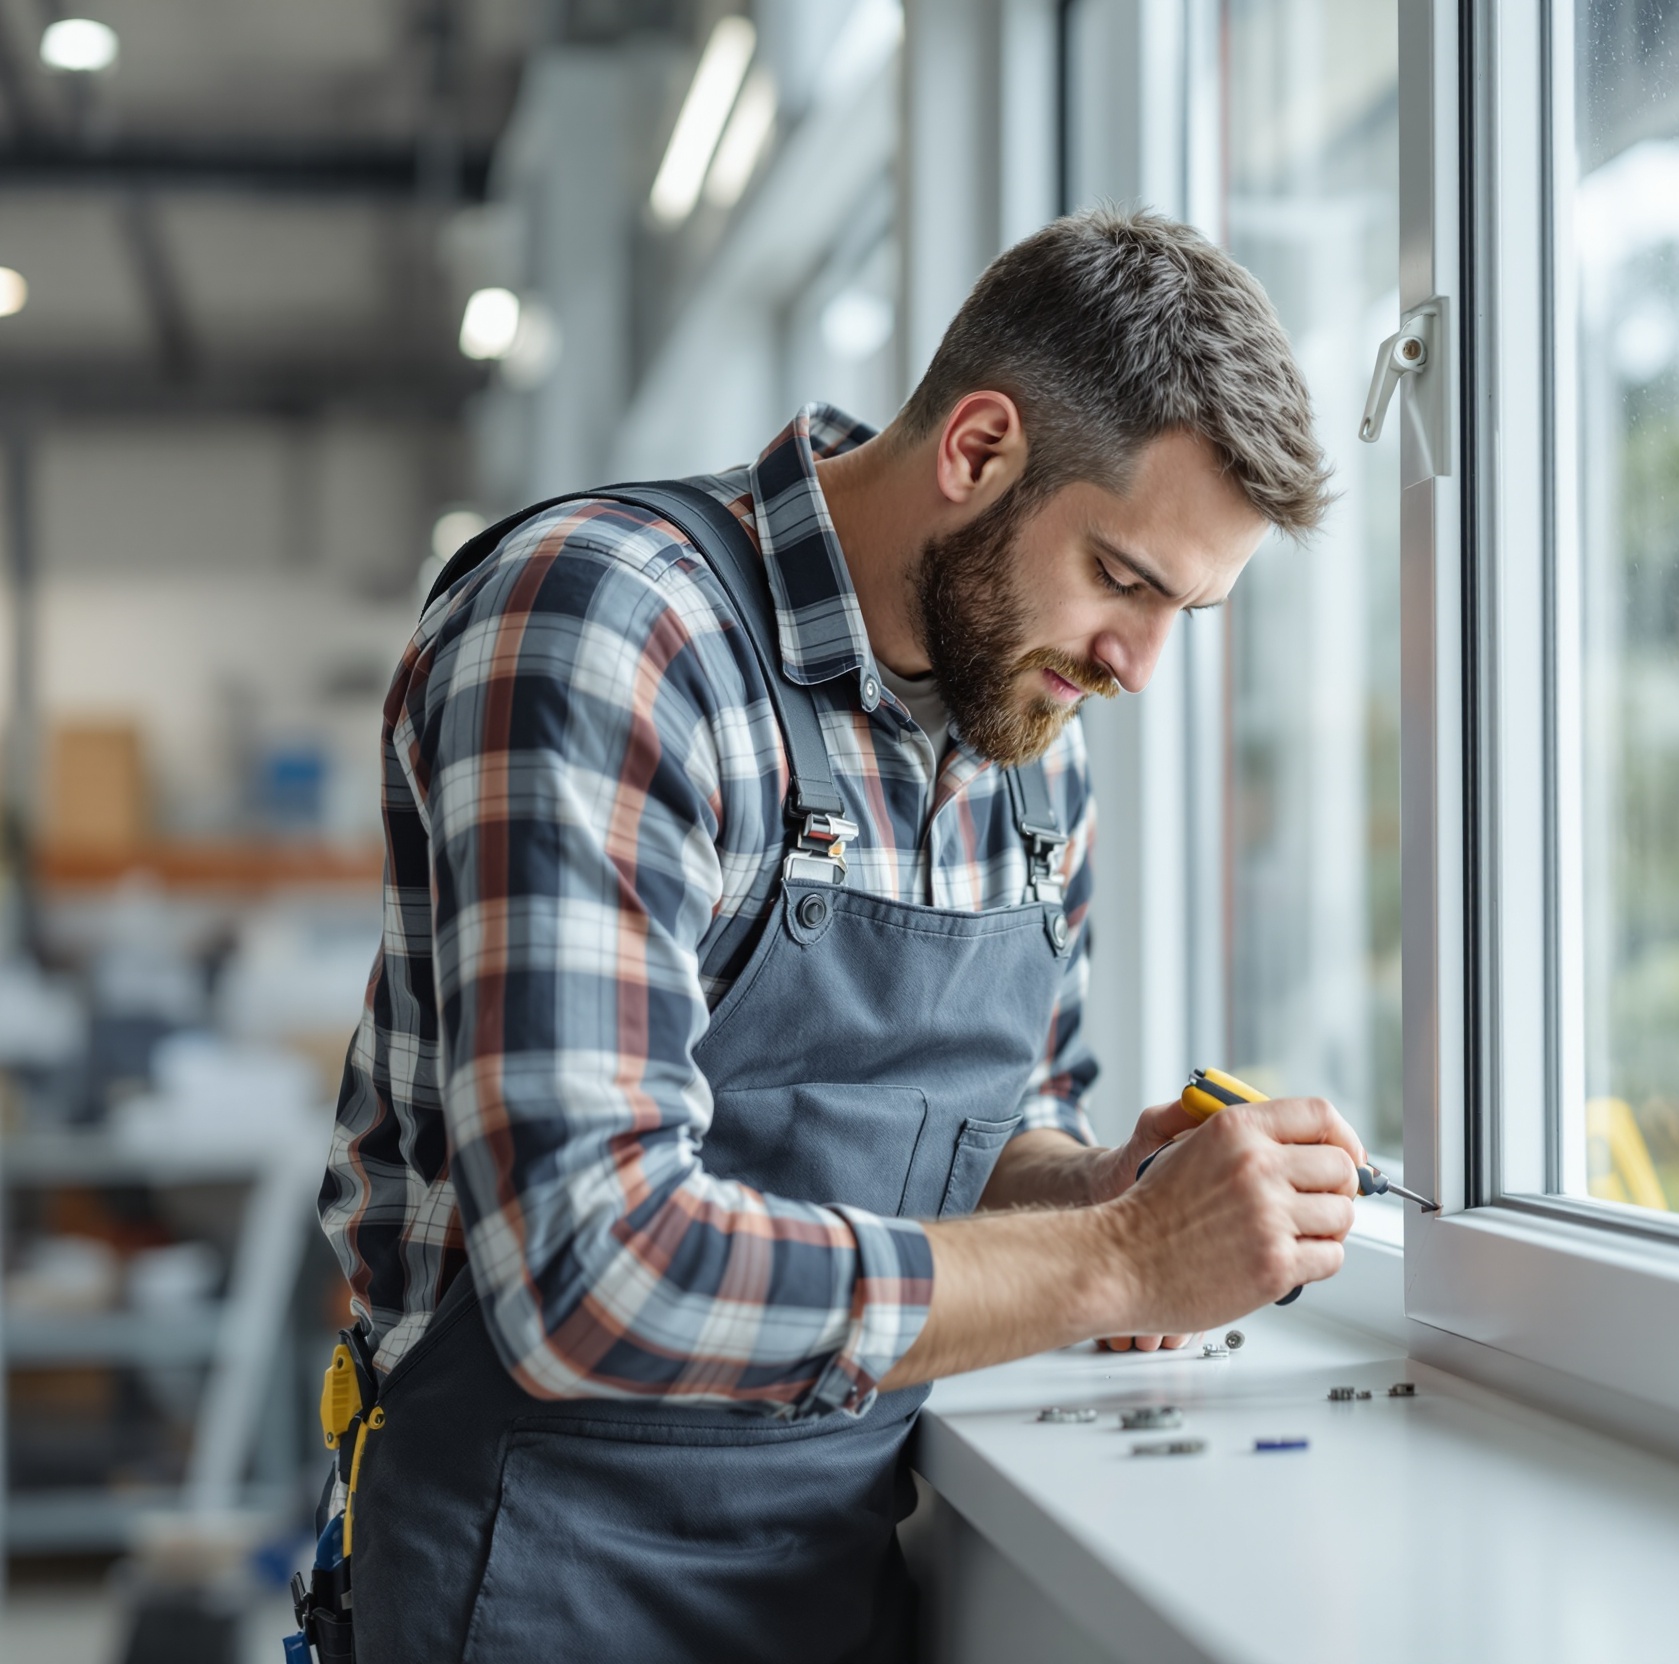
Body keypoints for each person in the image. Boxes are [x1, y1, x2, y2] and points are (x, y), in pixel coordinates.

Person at [316, 209, 1361, 1663]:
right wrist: (1122, 1254)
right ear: (978, 448)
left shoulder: (1028, 733)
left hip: (828, 1580)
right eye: (1125, 579)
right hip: (527, 1579)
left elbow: (982, 1139)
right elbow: (587, 1272)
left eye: (1188, 608)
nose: (1138, 666)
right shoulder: (612, 628)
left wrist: (1103, 1182)